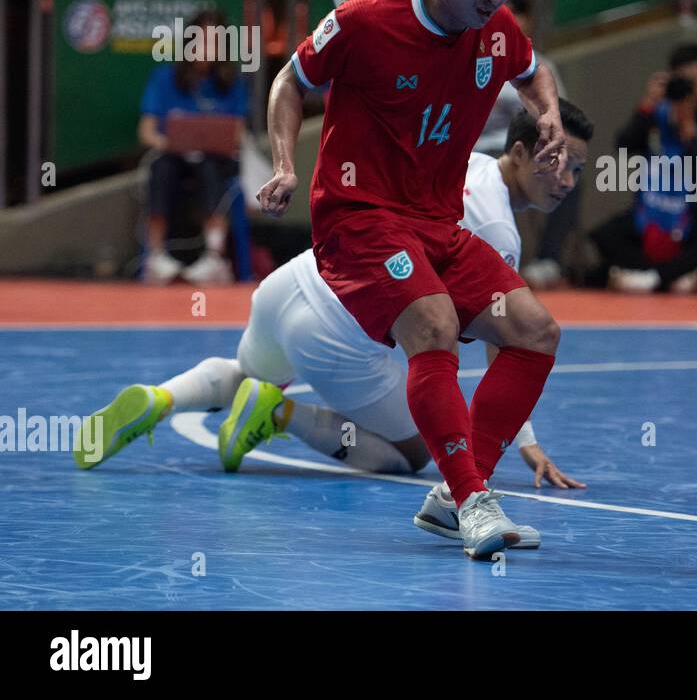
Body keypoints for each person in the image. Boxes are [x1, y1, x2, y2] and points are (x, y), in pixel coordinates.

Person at [74, 103, 594, 549]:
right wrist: (522, 438)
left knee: (248, 370)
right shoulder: (500, 230)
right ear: (520, 152)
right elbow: (503, 345)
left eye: (577, 169)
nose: (567, 181)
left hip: (290, 284)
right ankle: (280, 413)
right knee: (413, 455)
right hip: (336, 334)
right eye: (558, 163)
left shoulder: (463, 162)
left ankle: (161, 398)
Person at [256, 0, 565, 560]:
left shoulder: (498, 32)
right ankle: (474, 497)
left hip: (437, 225)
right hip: (359, 218)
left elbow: (534, 73)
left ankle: (454, 502)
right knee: (434, 325)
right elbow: (290, 81)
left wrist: (552, 117)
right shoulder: (365, 22)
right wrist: (285, 164)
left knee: (536, 331)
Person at [589, 42, 697, 293]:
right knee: (604, 235)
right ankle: (673, 277)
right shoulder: (657, 114)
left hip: (689, 215)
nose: (686, 91)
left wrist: (690, 132)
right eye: (680, 83)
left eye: (692, 83)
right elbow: (623, 145)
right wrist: (646, 105)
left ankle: (646, 276)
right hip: (649, 213)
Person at [472, 0, 576, 289]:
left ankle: (548, 260)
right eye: (504, 11)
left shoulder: (541, 68)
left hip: (528, 152)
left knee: (570, 174)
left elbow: (562, 119)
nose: (510, 17)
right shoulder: (474, 59)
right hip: (478, 153)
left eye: (517, 11)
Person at [138, 8, 249, 285]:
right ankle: (155, 256)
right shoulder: (165, 77)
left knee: (211, 169)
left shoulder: (231, 83)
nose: (205, 49)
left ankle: (214, 257)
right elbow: (146, 131)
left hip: (215, 160)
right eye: (200, 41)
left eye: (213, 42)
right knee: (160, 168)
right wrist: (173, 142)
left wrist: (213, 141)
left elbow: (237, 135)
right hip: (173, 157)